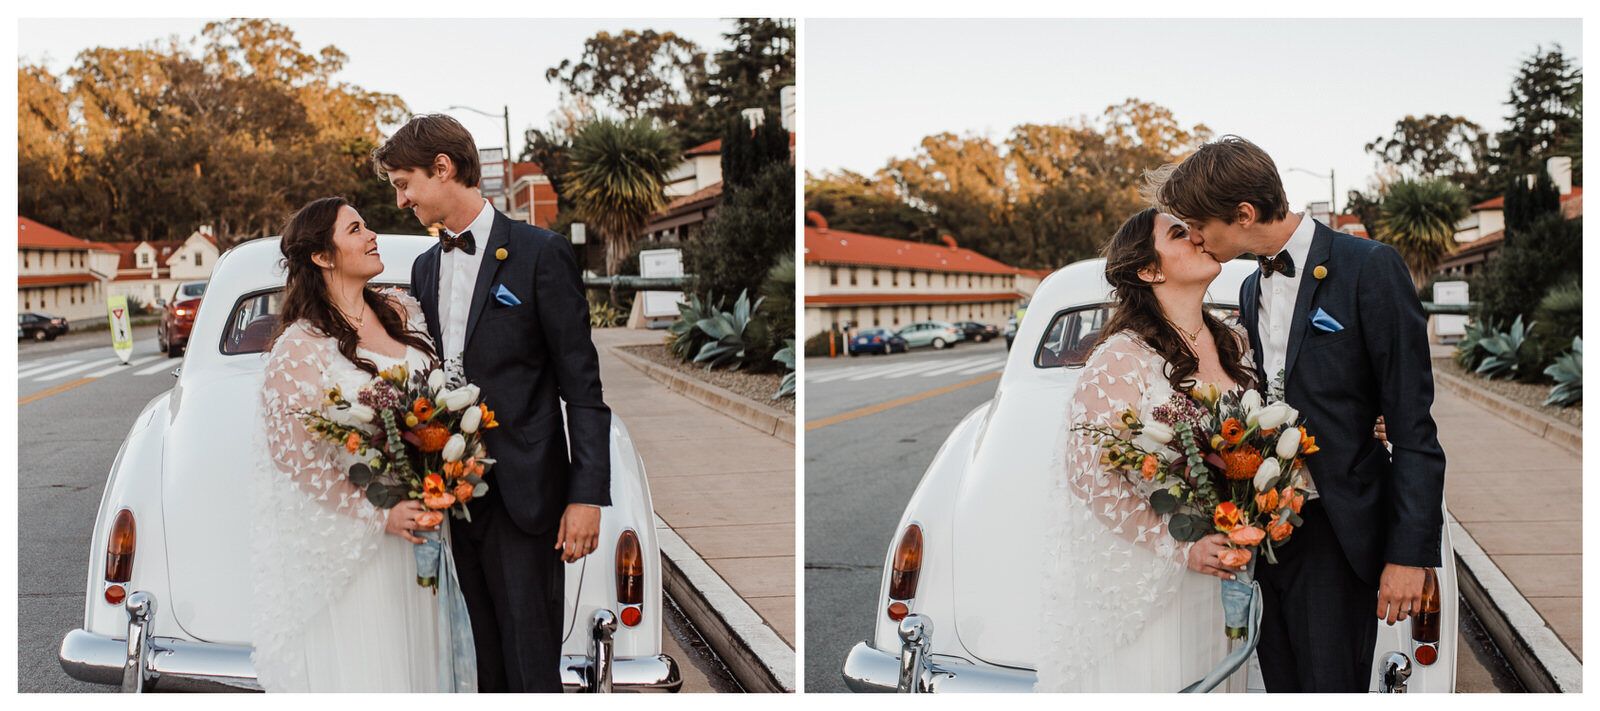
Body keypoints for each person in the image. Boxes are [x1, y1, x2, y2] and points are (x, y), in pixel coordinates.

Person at [1157, 135, 1446, 692]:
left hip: (1340, 530)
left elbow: (1414, 427)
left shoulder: (1370, 267)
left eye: (1198, 225)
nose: (1194, 237)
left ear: (1242, 214)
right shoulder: (1248, 286)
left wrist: (1409, 556)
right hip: (1268, 531)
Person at [373, 114, 612, 693]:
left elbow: (581, 387)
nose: (402, 200)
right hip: (451, 497)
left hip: (525, 497)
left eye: (405, 183)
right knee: (480, 663)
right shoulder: (424, 267)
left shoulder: (540, 253)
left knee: (531, 665)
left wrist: (587, 496)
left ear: (443, 168)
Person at [250, 196, 473, 692]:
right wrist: (380, 513)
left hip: (433, 522)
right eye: (356, 229)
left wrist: (449, 473)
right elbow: (293, 459)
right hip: (368, 539)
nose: (371, 234)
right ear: (322, 257)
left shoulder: (400, 308)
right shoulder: (298, 347)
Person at [1038, 207, 1255, 692]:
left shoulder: (1237, 344)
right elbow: (1089, 472)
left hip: (1229, 566)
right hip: (1162, 576)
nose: (1198, 236)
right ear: (1149, 270)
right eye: (1180, 233)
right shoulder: (1122, 356)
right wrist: (1180, 545)